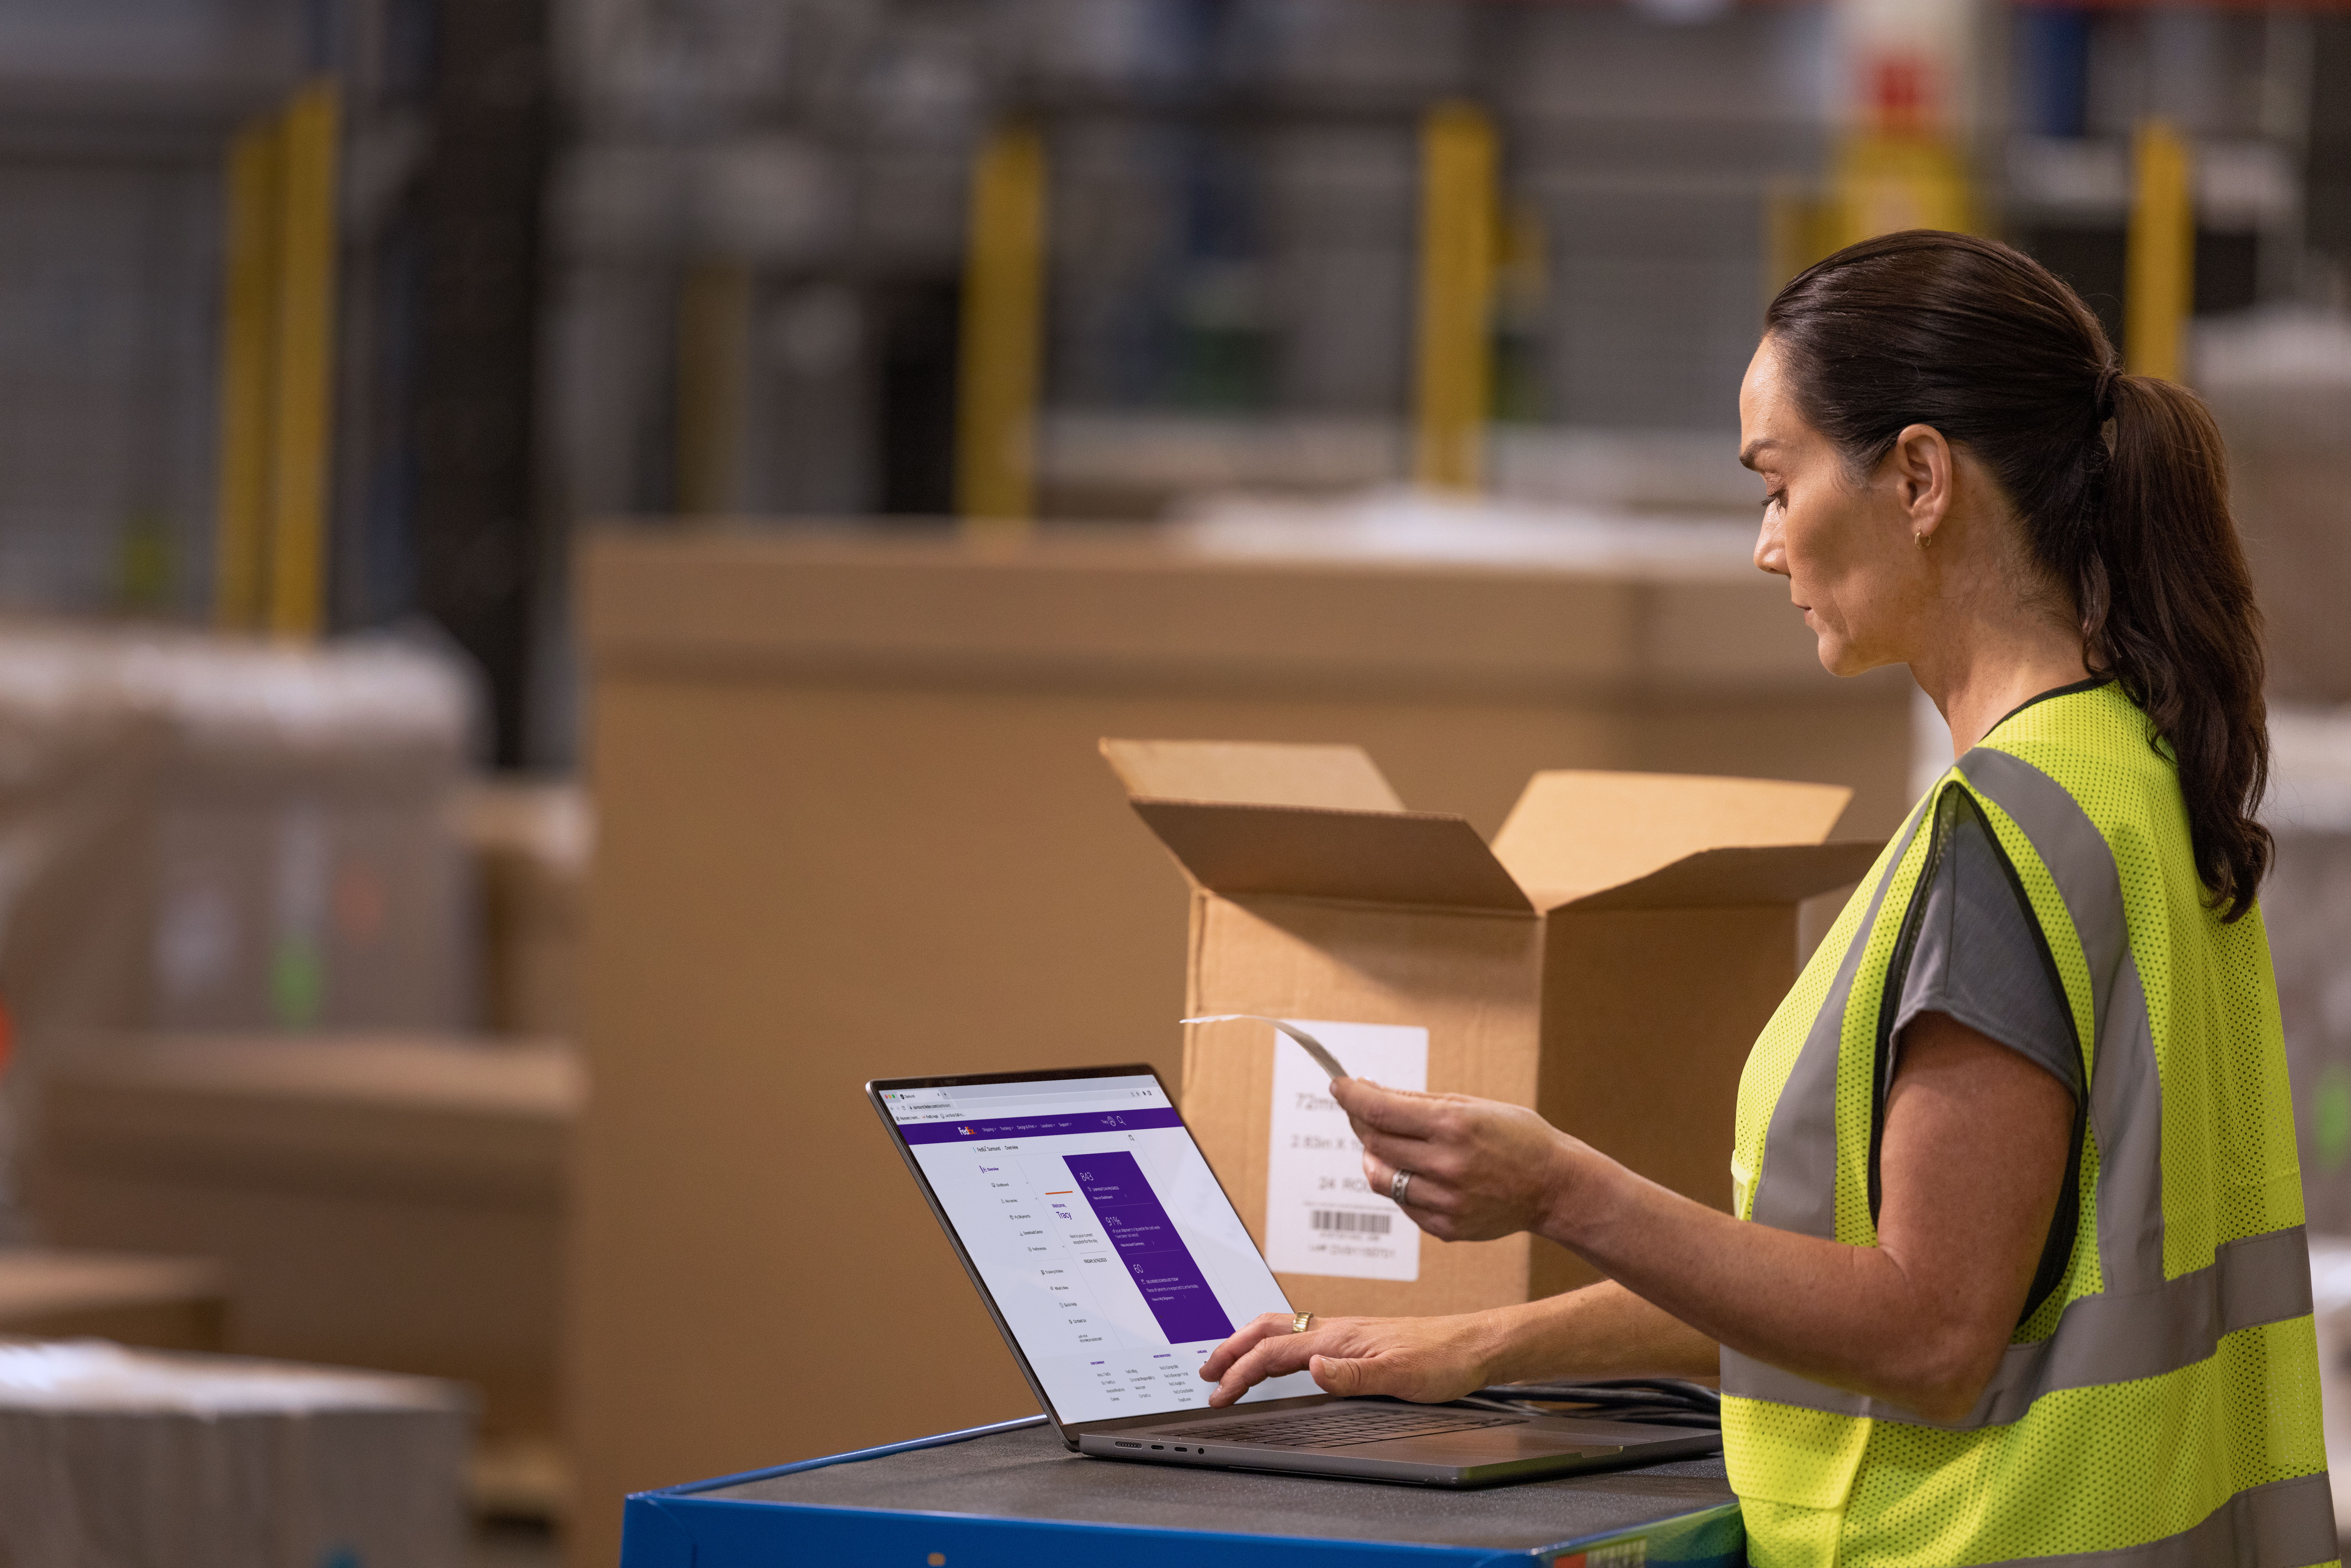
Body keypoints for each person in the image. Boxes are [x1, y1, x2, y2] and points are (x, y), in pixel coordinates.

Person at [1196, 230, 2332, 1568]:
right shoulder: (2130, 775)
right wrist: (1484, 1343)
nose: (1763, 545)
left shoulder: (2004, 842)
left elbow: (1925, 1327)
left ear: (1917, 477)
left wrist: (1558, 1187)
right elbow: (1854, 1274)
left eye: (1777, 484)